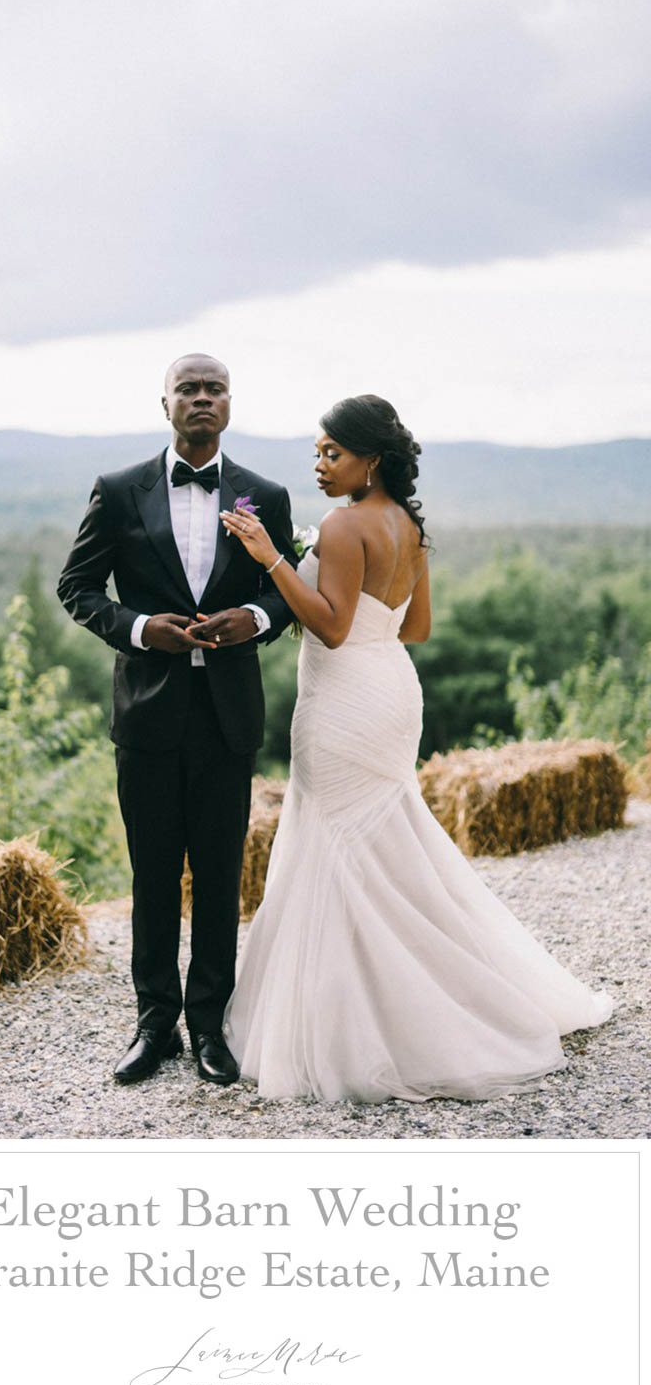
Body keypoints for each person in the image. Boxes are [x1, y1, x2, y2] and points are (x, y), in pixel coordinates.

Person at [220, 394, 613, 1102]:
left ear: (371, 458)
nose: (319, 464)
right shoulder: (410, 526)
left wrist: (274, 559)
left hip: (342, 703)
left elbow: (331, 630)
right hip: (392, 694)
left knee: (338, 845)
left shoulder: (342, 526)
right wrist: (360, 615)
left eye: (332, 453)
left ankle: (356, 1029)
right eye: (316, 452)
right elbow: (416, 628)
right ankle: (423, 994)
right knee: (383, 845)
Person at [57, 354, 295, 1086]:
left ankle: (209, 1028)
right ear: (164, 404)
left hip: (227, 719)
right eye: (187, 388)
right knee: (154, 874)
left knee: (221, 876)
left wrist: (252, 618)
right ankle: (152, 1022)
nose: (200, 398)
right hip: (148, 719)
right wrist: (139, 629)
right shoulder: (120, 489)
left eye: (212, 388)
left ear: (229, 404)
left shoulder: (265, 494)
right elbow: (77, 587)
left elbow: (287, 591)